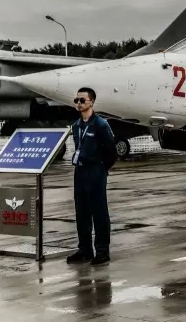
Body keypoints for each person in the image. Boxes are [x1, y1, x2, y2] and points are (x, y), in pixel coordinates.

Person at [66, 87, 117, 265]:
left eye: (82, 100)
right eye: (76, 100)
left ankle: (102, 251)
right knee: (82, 212)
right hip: (79, 171)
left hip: (95, 170)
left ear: (92, 102)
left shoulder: (100, 124)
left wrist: (102, 168)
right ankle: (85, 250)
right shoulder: (76, 125)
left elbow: (111, 151)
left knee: (99, 212)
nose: (79, 104)